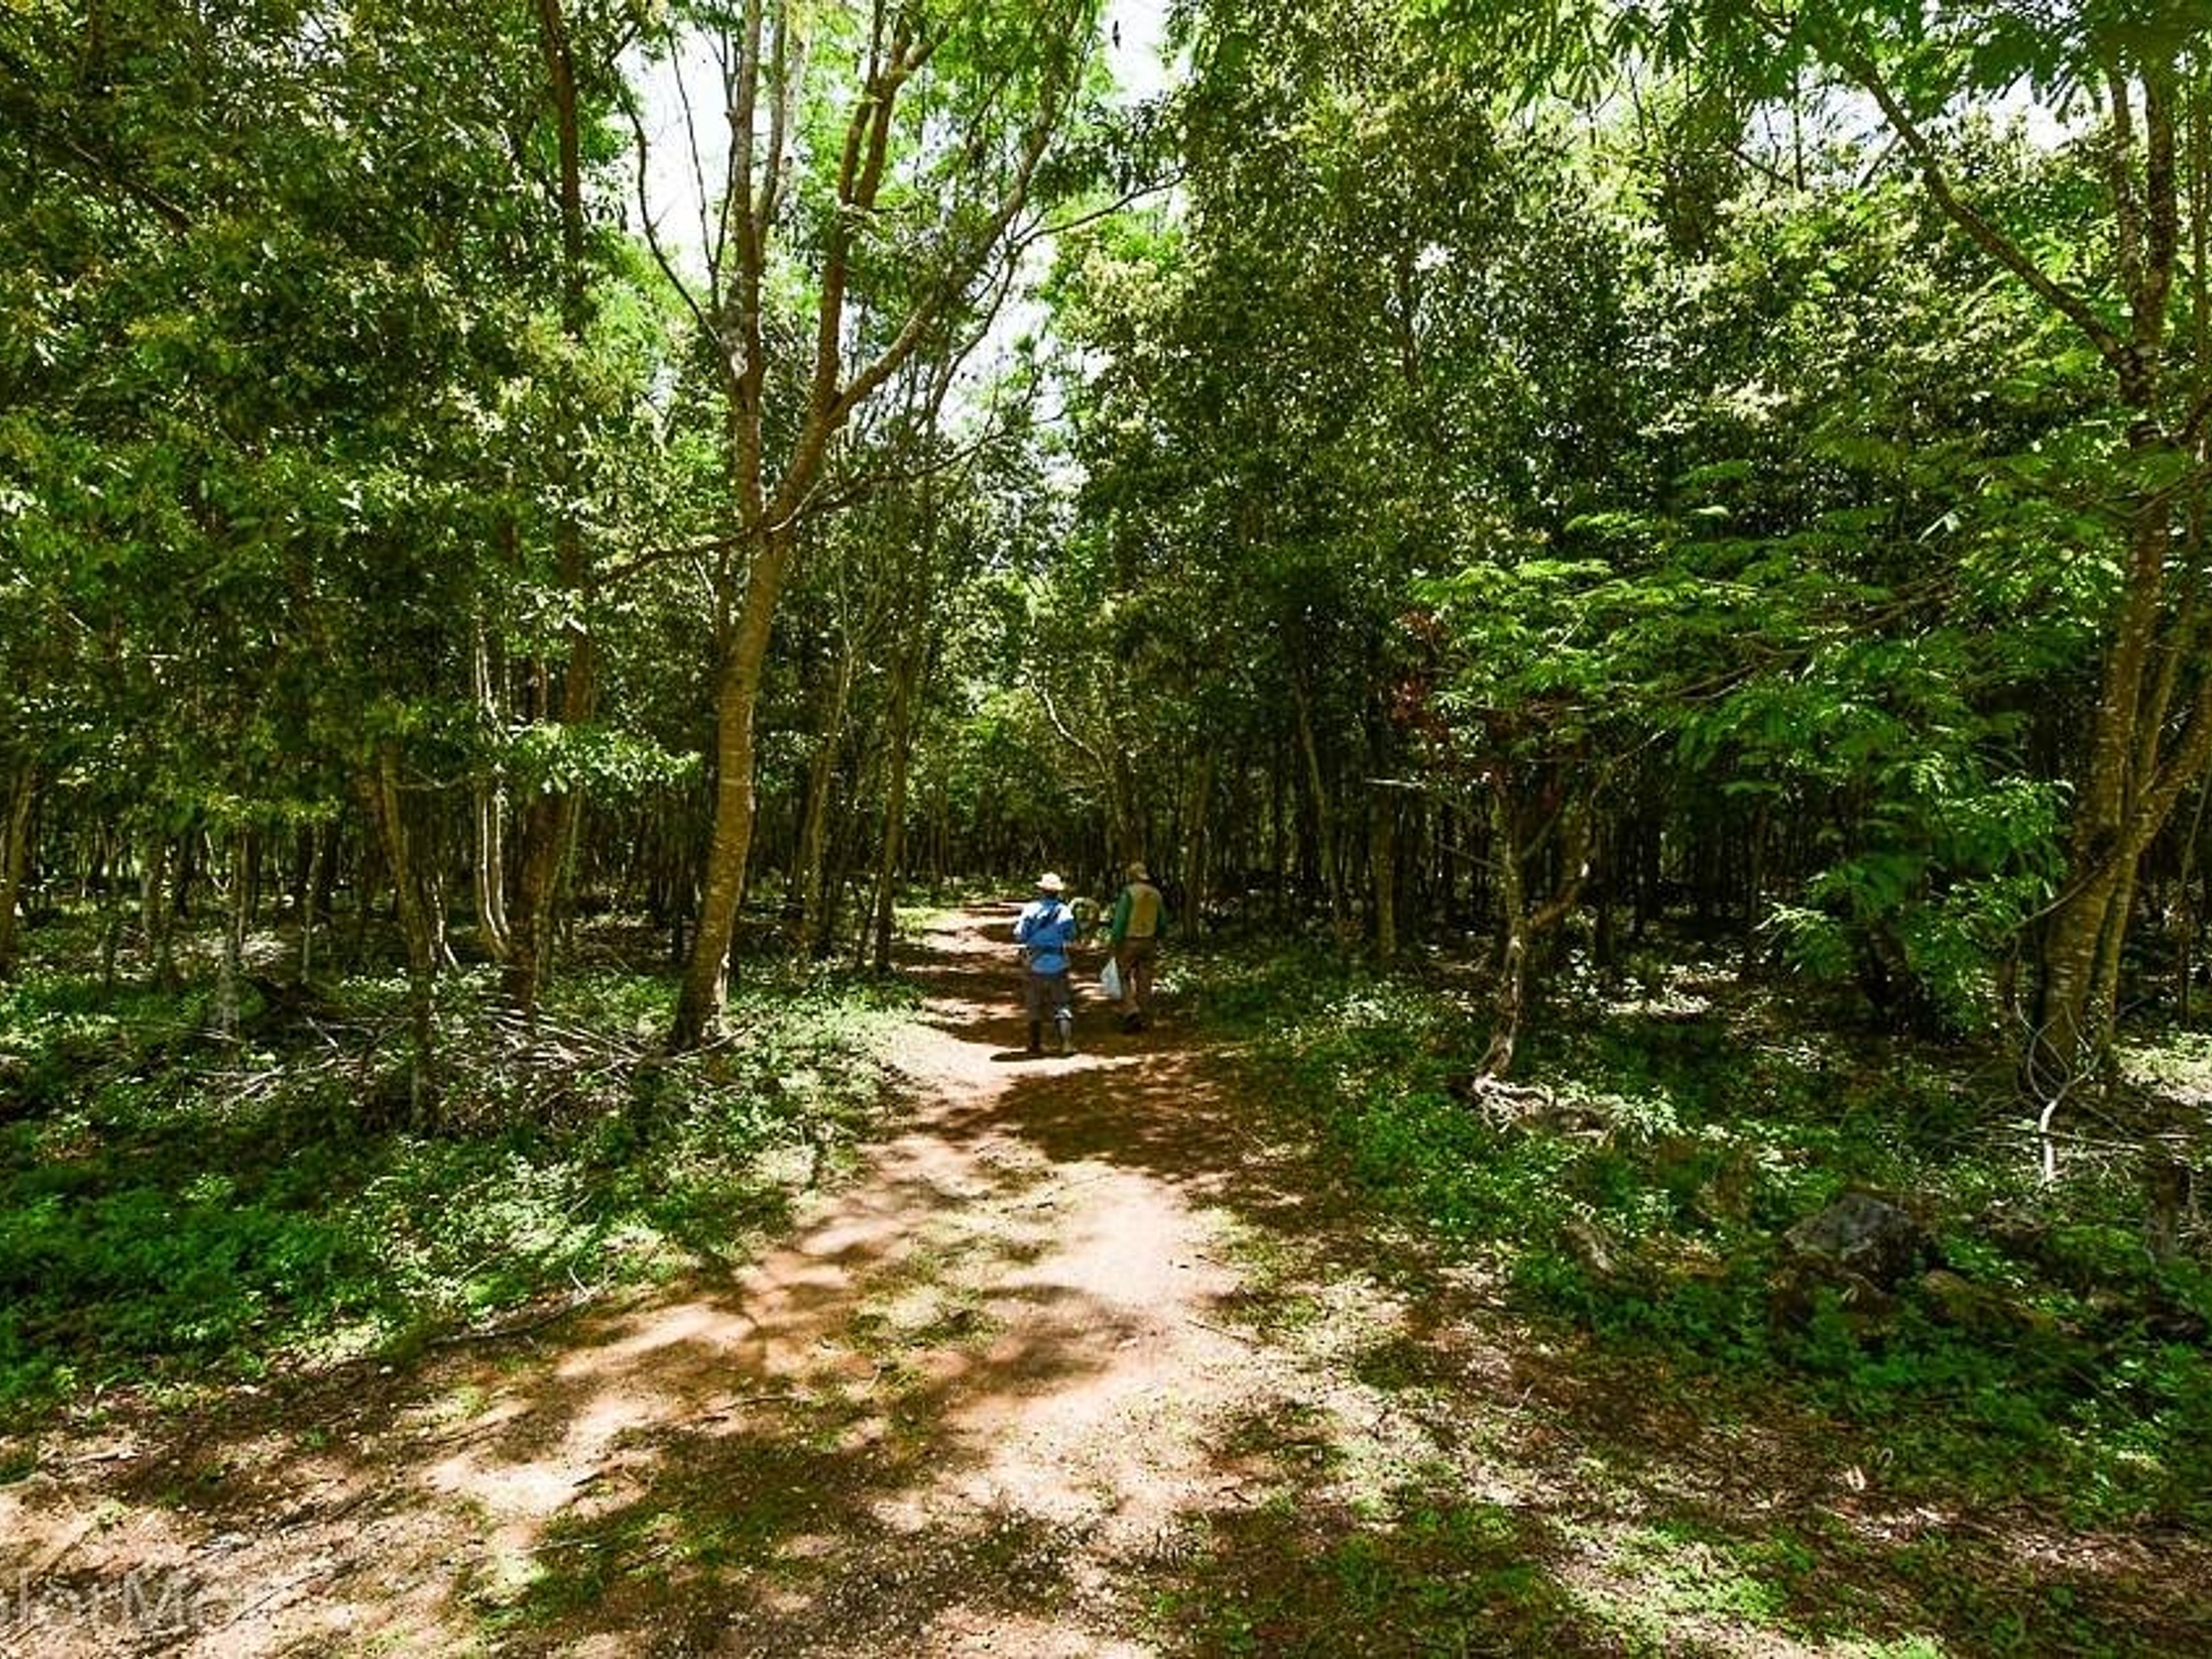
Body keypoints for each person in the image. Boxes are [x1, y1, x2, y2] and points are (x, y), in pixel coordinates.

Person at [1013, 871, 1079, 1056]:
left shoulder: (1030, 909)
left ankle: (1035, 1046)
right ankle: (1066, 1044)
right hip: (1058, 962)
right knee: (1062, 1002)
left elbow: (1019, 934)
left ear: (1041, 890)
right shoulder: (1065, 910)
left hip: (1034, 963)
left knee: (1034, 1004)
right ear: (1058, 892)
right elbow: (1071, 935)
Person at [1108, 861, 1169, 1031]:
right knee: (1145, 980)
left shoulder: (1129, 893)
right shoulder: (1156, 894)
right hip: (1149, 941)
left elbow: (1120, 921)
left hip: (1130, 941)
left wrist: (1114, 942)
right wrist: (1160, 937)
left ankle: (1131, 1010)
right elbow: (1163, 920)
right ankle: (1145, 1018)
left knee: (1123, 976)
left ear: (1132, 877)